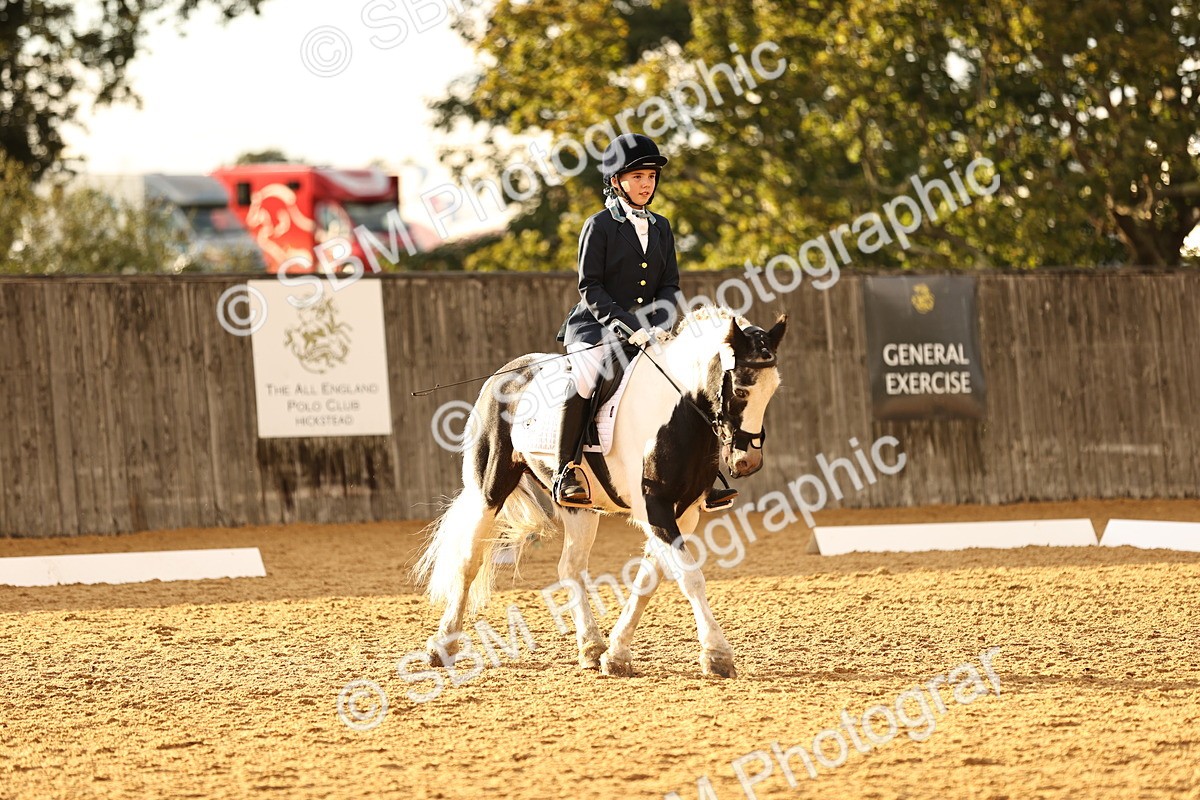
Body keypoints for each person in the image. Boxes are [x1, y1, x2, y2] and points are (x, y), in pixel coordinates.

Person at [552, 133, 738, 512]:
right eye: (637, 177)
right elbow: (590, 286)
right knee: (588, 374)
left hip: (650, 329)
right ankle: (566, 469)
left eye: (651, 177)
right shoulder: (599, 225)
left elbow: (669, 285)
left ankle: (705, 474)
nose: (646, 184)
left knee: (688, 381)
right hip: (596, 326)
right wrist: (625, 326)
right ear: (616, 181)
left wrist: (659, 322)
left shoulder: (661, 226)